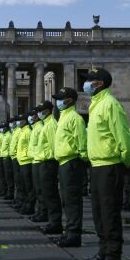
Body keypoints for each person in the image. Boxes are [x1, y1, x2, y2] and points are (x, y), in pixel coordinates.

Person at [81, 67, 130, 260]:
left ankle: (114, 258)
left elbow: (124, 138)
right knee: (99, 214)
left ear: (99, 83)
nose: (84, 84)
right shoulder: (97, 105)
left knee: (110, 213)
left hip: (110, 165)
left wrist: (124, 163)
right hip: (97, 166)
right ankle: (103, 252)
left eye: (89, 81)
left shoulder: (110, 104)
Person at [53, 87, 88, 247]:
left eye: (61, 98)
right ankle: (69, 232)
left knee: (72, 200)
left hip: (72, 161)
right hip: (63, 162)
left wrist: (81, 159)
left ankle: (74, 234)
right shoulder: (63, 117)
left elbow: (81, 142)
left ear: (70, 100)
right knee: (66, 200)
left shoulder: (75, 118)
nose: (58, 101)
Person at [36, 101, 61, 235]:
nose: (39, 113)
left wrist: (53, 163)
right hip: (44, 162)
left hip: (49, 162)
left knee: (51, 194)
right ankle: (52, 221)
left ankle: (55, 223)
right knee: (47, 193)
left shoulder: (51, 125)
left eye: (41, 110)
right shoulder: (47, 124)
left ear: (47, 111)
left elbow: (53, 145)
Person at [27, 108, 46, 222]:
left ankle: (43, 213)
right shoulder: (35, 128)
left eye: (33, 115)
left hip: (40, 160)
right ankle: (39, 212)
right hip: (34, 159)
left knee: (41, 190)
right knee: (37, 189)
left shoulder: (40, 128)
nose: (32, 117)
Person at [16, 114, 34, 215]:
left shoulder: (27, 132)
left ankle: (29, 206)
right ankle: (24, 204)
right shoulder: (23, 131)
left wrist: (28, 155)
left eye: (20, 120)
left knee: (28, 186)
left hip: (27, 161)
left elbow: (30, 146)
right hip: (22, 161)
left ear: (24, 121)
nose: (18, 122)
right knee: (23, 185)